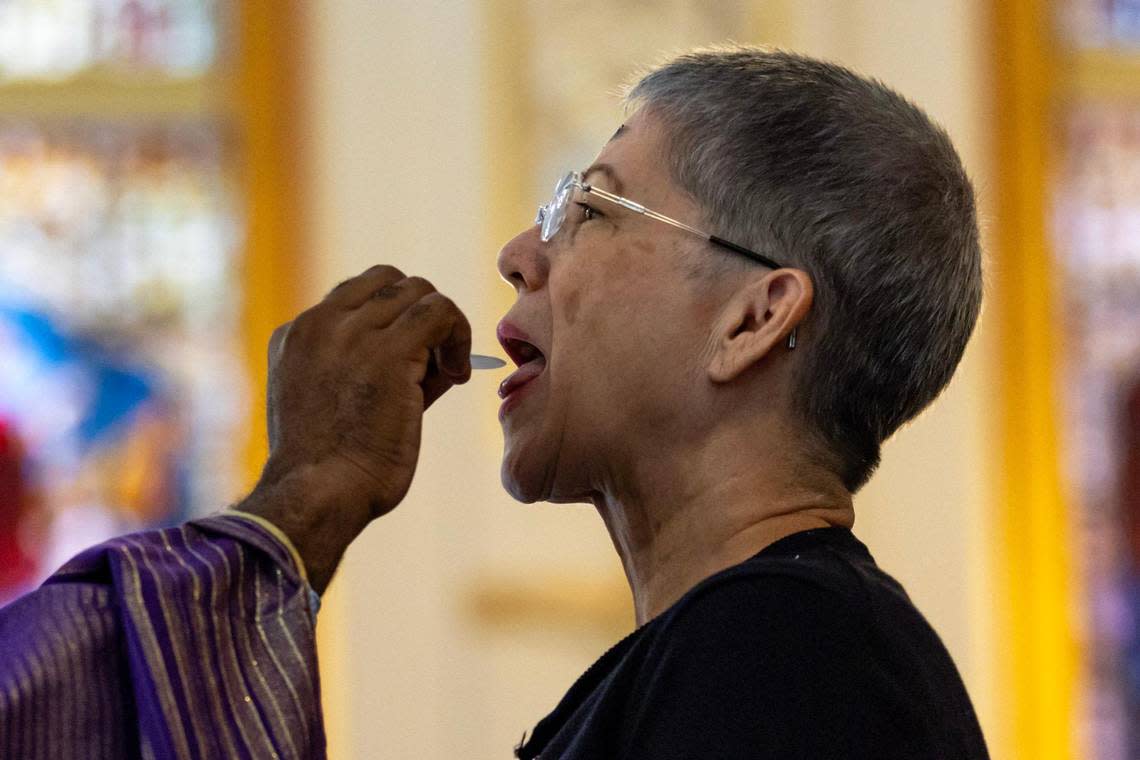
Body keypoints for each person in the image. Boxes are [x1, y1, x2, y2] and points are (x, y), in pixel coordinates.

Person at [0, 46, 989, 759]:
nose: (520, 253)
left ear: (752, 316)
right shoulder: (746, 646)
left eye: (589, 208)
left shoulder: (792, 664)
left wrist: (301, 499)